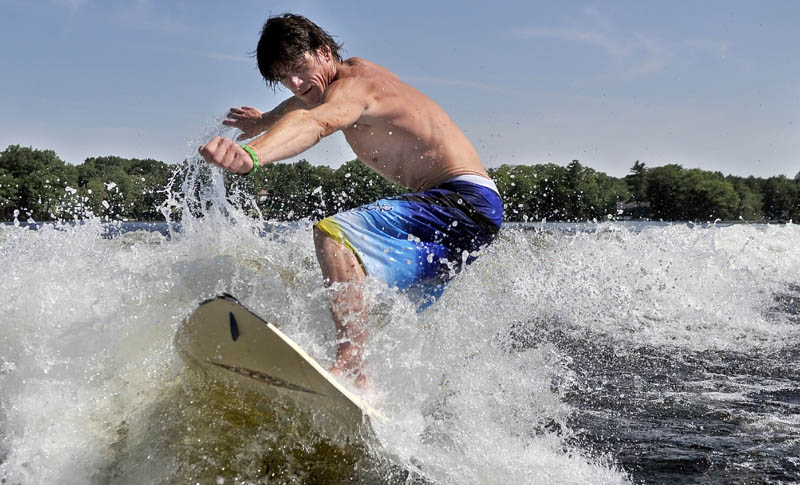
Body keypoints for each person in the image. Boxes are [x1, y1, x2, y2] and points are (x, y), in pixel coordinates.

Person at [199, 13, 502, 388]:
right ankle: (398, 394)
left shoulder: (356, 88)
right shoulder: (344, 77)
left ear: (324, 52)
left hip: (461, 201)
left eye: (298, 68)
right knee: (390, 307)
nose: (294, 83)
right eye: (283, 79)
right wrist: (265, 120)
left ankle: (354, 368)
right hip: (474, 214)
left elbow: (317, 122)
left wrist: (254, 154)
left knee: (334, 235)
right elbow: (305, 104)